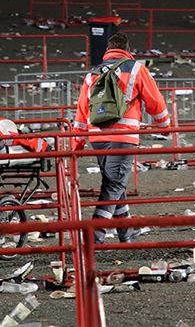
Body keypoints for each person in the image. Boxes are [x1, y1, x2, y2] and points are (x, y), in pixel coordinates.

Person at [73, 33, 170, 244]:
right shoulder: (135, 68)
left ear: (107, 50)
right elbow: (155, 100)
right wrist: (164, 126)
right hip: (123, 135)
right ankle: (94, 236)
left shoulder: (93, 73)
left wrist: (77, 141)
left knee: (115, 182)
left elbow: (82, 109)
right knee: (114, 185)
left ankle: (126, 232)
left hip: (96, 136)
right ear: (128, 49)